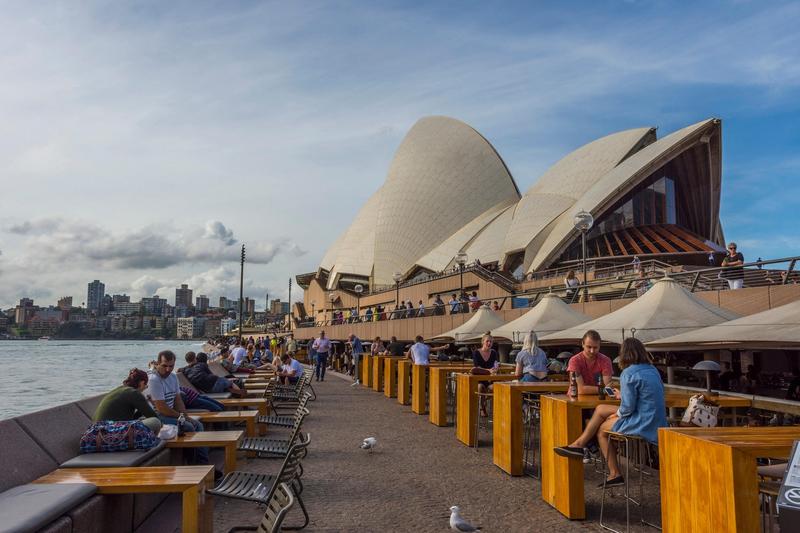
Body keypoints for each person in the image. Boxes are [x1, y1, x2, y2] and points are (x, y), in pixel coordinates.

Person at [555, 338, 667, 487]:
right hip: (656, 419)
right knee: (601, 409)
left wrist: (618, 414)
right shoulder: (653, 370)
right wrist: (622, 397)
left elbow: (627, 409)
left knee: (601, 430)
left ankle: (615, 474)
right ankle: (579, 444)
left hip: (642, 421)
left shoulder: (628, 373)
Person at [146, 350, 210, 466]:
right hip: (158, 416)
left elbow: (178, 400)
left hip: (170, 414)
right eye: (165, 366)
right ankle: (194, 464)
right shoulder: (154, 380)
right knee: (188, 426)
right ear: (158, 364)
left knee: (197, 424)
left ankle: (202, 463)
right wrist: (182, 417)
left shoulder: (173, 377)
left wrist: (186, 415)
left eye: (171, 366)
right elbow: (162, 409)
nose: (168, 369)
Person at [93, 368, 162, 433]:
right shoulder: (134, 393)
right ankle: (154, 442)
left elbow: (129, 419)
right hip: (112, 432)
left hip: (99, 432)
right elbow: (154, 417)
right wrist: (145, 403)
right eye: (146, 385)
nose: (145, 388)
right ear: (142, 383)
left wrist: (142, 407)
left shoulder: (121, 390)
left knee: (143, 420)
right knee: (155, 422)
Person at [567, 330, 613, 394]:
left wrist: (604, 390)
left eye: (595, 347)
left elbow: (607, 388)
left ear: (599, 346)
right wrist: (602, 390)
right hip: (576, 400)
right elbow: (580, 390)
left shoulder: (606, 360)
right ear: (582, 344)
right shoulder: (575, 360)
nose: (592, 351)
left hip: (598, 399)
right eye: (589, 347)